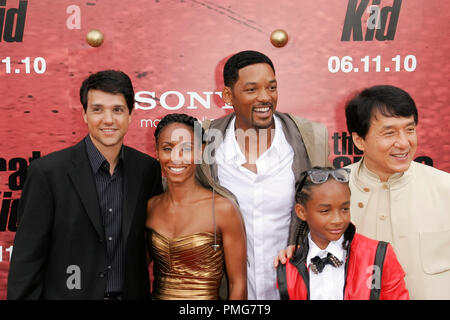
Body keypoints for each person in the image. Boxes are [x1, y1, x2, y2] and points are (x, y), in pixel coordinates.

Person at [275, 85, 450, 299]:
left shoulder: (445, 189)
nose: (404, 142)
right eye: (390, 132)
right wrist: (297, 253)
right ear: (359, 140)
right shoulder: (332, 191)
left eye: (410, 129)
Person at [7, 70, 163, 300]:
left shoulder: (147, 170)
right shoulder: (47, 172)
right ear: (84, 114)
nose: (108, 120)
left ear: (131, 115)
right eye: (97, 109)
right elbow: (27, 259)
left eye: (117, 110)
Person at [196, 50, 330, 299]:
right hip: (228, 293)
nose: (265, 98)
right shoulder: (203, 141)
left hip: (294, 288)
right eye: (251, 90)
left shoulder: (312, 139)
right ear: (228, 95)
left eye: (272, 88)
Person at [146, 113, 247, 300]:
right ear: (157, 151)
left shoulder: (222, 210)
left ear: (201, 151)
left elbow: (238, 285)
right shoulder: (151, 207)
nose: (176, 158)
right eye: (167, 148)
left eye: (186, 148)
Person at [276, 166, 409, 300]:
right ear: (301, 212)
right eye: (325, 211)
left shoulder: (378, 256)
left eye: (345, 209)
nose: (338, 220)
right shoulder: (288, 266)